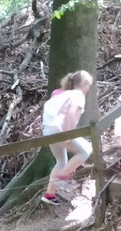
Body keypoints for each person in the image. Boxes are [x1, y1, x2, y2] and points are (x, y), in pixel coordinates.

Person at [40, 70, 94, 206]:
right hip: (60, 130)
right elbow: (71, 114)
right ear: (85, 84)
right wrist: (70, 135)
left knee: (61, 162)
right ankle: (62, 177)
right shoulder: (78, 95)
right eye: (89, 85)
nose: (88, 89)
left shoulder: (61, 94)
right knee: (86, 150)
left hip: (48, 130)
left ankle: (49, 194)